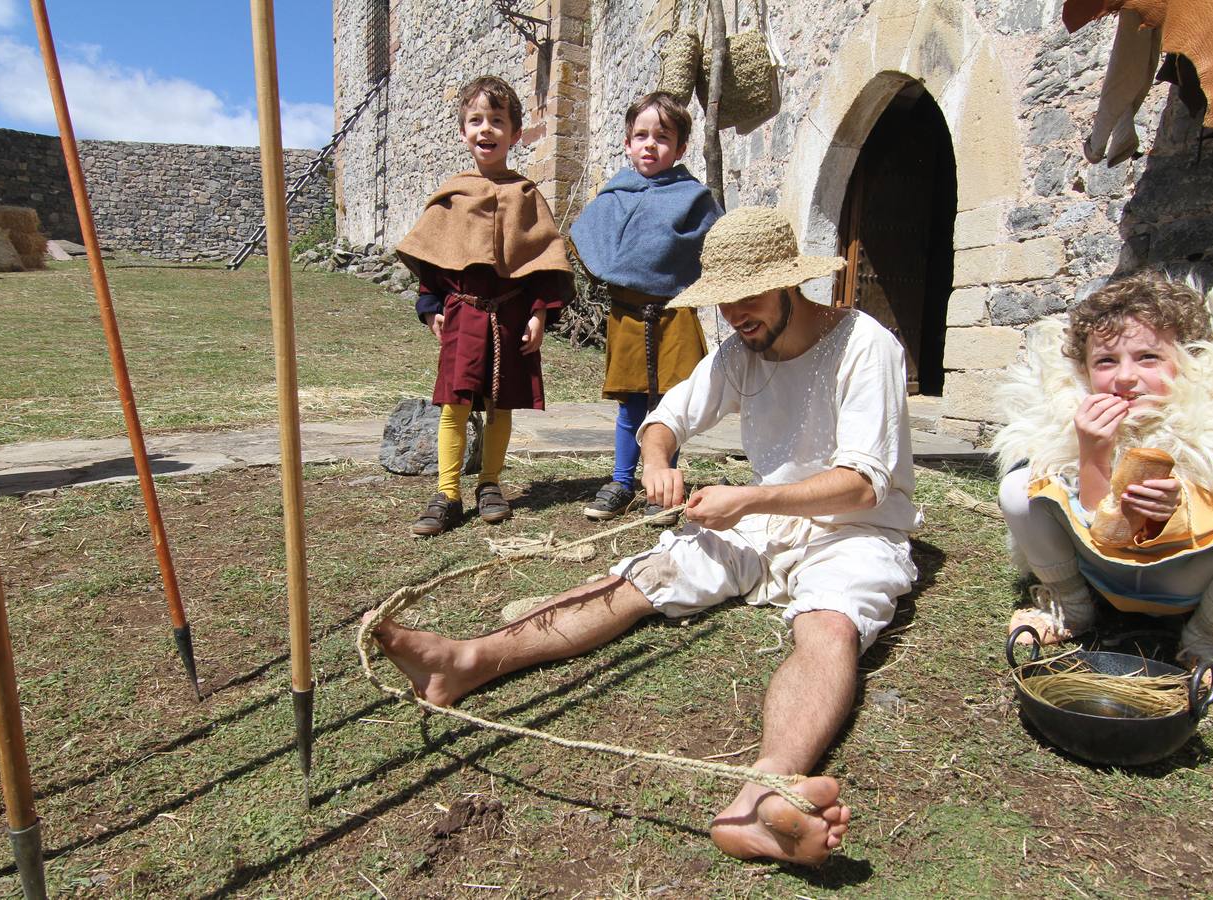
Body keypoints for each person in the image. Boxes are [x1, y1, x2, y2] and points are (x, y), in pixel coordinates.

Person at [365, 206, 921, 865]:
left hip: (854, 532)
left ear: (787, 284)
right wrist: (657, 464)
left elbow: (862, 484)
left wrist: (750, 497)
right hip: (761, 522)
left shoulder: (866, 345)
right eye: (723, 301)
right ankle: (466, 662)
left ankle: (764, 798)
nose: (735, 315)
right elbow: (664, 421)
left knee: (828, 628)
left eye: (747, 297)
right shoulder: (741, 351)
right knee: (638, 580)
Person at [993, 273, 1213, 707]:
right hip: (1104, 568)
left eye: (1148, 357)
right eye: (1106, 361)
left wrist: (1183, 506)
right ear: (1083, 369)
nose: (1125, 378)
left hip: (1191, 575)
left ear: (1189, 360)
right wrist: (1093, 453)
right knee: (1022, 488)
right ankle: (1071, 607)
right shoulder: (1066, 419)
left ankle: (1209, 640)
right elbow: (1099, 523)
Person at [396, 75, 574, 537]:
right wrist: (431, 305)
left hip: (511, 315)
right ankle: (448, 493)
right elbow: (433, 265)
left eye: (497, 121)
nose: (486, 129)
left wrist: (539, 313)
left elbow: (544, 264)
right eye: (476, 120)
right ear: (463, 132)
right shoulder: (452, 195)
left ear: (515, 133)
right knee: (455, 405)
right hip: (462, 315)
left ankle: (491, 484)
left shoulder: (527, 195)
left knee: (500, 404)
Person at [570, 92, 723, 524]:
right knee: (631, 405)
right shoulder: (615, 195)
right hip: (628, 315)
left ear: (681, 148)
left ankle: (663, 484)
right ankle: (621, 481)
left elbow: (718, 246)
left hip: (676, 313)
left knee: (670, 403)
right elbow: (590, 241)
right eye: (641, 135)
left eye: (662, 136)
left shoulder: (695, 199)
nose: (650, 144)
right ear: (627, 141)